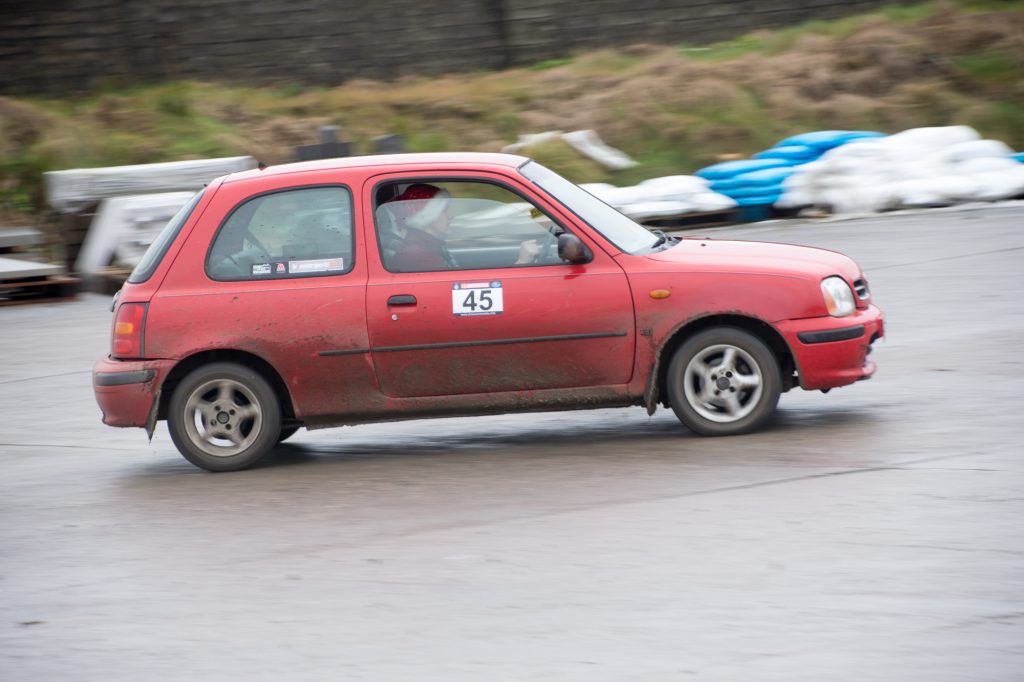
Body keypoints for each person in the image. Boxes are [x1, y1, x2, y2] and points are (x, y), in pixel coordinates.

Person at [383, 183, 539, 272]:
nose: (451, 216)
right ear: (427, 217)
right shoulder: (418, 255)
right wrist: (523, 262)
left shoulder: (428, 247)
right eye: (445, 210)